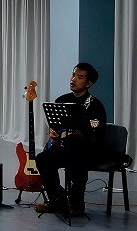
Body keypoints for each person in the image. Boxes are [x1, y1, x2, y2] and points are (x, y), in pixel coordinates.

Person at [34, 62, 107, 217]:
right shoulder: (62, 100)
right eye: (73, 75)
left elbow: (96, 137)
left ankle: (77, 204)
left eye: (80, 77)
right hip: (65, 148)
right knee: (42, 159)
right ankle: (58, 201)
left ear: (88, 83)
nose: (73, 79)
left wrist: (80, 134)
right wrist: (53, 134)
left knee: (77, 155)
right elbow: (55, 127)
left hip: (87, 151)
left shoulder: (95, 106)